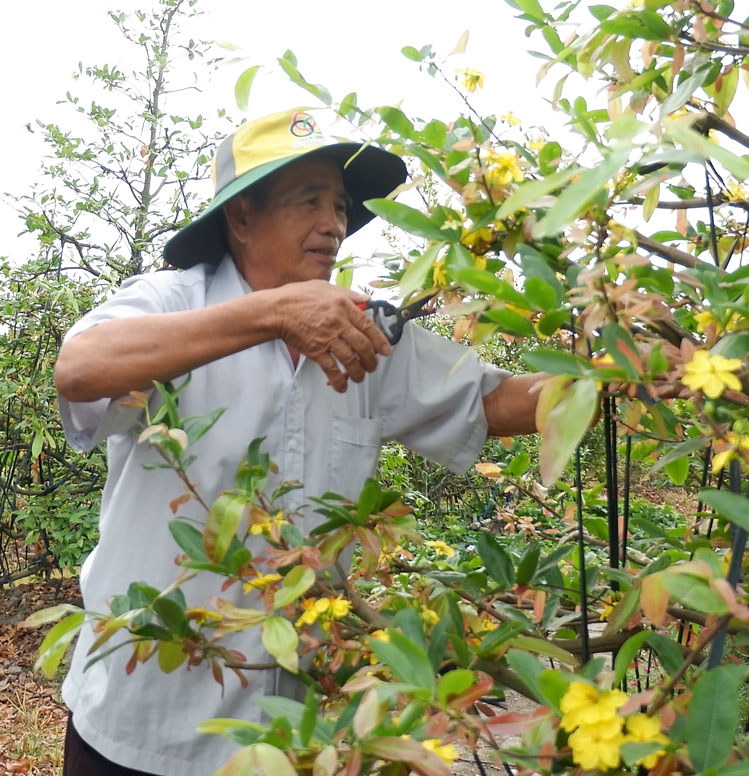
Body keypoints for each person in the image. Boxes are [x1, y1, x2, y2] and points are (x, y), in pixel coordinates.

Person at [54, 108, 542, 776]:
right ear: (242, 219)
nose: (333, 223)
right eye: (307, 200)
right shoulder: (172, 301)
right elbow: (81, 369)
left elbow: (490, 398)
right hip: (146, 721)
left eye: (339, 205)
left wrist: (627, 378)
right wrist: (274, 312)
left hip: (298, 730)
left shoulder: (361, 333)